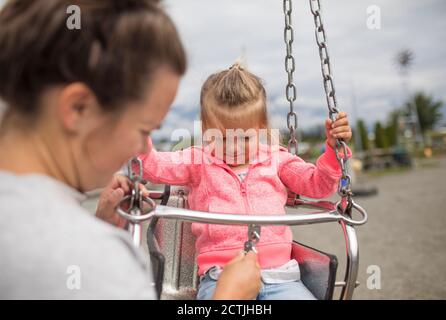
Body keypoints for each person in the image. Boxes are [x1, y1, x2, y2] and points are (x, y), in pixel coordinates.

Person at [0, 0, 260, 299]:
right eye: (144, 130)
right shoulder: (100, 265)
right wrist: (228, 299)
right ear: (78, 108)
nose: (141, 148)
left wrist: (97, 224)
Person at [131, 63, 353, 300]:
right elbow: (153, 166)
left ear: (261, 128)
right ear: (206, 131)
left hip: (281, 277)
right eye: (224, 138)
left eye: (246, 138)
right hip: (220, 277)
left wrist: (333, 150)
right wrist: (138, 136)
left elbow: (317, 184)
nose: (234, 148)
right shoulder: (198, 161)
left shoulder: (276, 159)